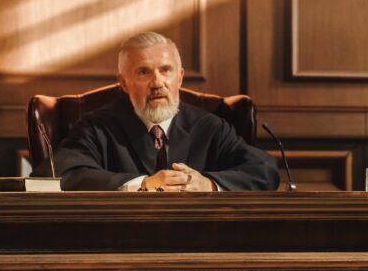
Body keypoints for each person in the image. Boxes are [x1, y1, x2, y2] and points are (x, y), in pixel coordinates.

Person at [52, 32, 279, 192]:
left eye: (166, 70)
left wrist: (208, 184)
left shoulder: (210, 126)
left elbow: (264, 170)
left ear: (179, 78)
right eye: (144, 72)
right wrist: (142, 184)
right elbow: (60, 174)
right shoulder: (96, 127)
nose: (157, 83)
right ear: (123, 83)